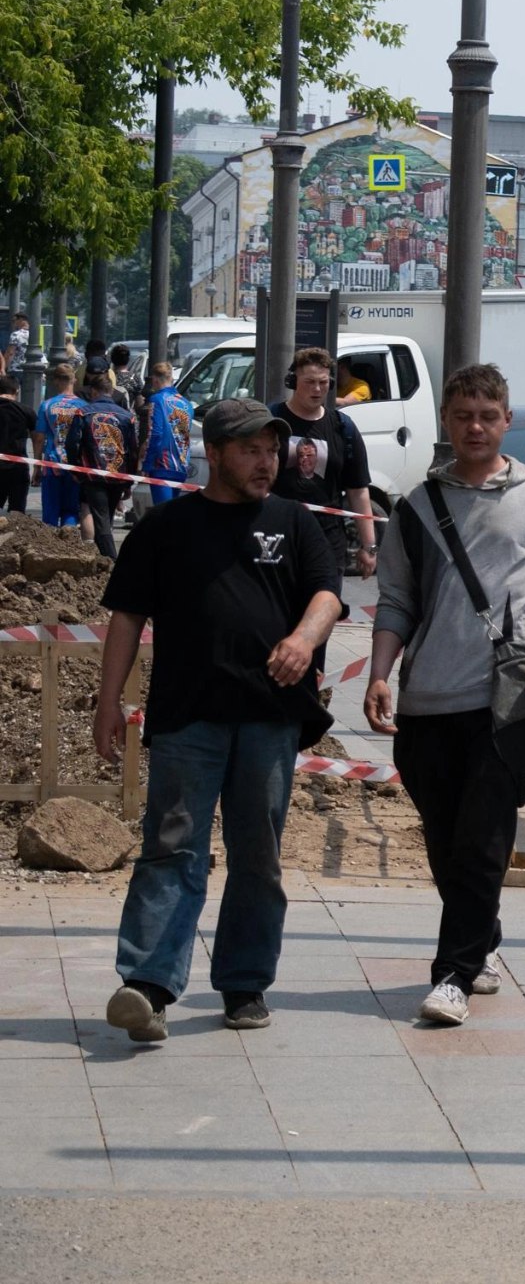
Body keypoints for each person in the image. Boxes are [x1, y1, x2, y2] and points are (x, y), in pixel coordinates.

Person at [90, 398, 342, 1040]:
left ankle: (244, 983)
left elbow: (326, 593)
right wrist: (108, 701)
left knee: (258, 856)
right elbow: (126, 616)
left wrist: (305, 640)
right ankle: (147, 984)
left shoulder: (293, 520)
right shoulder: (165, 527)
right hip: (186, 718)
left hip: (268, 719)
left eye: (272, 450)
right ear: (217, 452)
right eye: (252, 451)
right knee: (173, 847)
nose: (267, 463)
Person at [365, 364, 525, 1027]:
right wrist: (379, 673)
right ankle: (481, 939)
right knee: (445, 838)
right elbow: (397, 601)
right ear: (447, 423)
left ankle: (451, 976)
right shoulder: (416, 507)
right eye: (463, 416)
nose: (476, 427)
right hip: (429, 698)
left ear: (506, 420)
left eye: (488, 416)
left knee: (482, 837)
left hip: (508, 702)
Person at [271, 346, 377, 577]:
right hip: (277, 537)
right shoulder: (271, 422)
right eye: (309, 382)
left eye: (323, 382)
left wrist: (369, 546)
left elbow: (358, 490)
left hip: (327, 541)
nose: (317, 389)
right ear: (293, 381)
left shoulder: (343, 427)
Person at [69, 362, 139, 560]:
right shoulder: (127, 417)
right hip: (118, 474)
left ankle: (112, 562)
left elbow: (72, 444)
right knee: (105, 520)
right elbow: (132, 450)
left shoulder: (83, 413)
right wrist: (129, 481)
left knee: (101, 520)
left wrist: (76, 470)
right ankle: (103, 563)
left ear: (94, 391)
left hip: (94, 473)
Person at [136, 360, 196, 518]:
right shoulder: (186, 403)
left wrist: (147, 463)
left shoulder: (157, 400)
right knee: (173, 513)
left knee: (162, 514)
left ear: (155, 379)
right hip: (181, 463)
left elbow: (155, 433)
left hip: (162, 463)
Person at [36, 363, 85, 529]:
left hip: (51, 464)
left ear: (56, 381)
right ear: (74, 380)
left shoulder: (47, 405)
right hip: (75, 466)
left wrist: (37, 466)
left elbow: (39, 438)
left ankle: (48, 548)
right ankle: (67, 544)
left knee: (50, 512)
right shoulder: (83, 407)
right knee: (71, 510)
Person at [0, 377, 30, 514]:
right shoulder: (25, 410)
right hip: (18, 466)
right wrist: (38, 469)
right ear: (16, 391)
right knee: (17, 512)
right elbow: (38, 439)